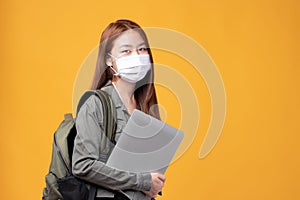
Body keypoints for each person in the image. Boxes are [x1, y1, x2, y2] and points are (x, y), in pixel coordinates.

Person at [72, 19, 166, 200]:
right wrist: (143, 181)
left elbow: (148, 172)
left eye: (142, 49)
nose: (137, 56)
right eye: (126, 51)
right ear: (109, 59)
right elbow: (83, 165)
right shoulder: (96, 104)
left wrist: (153, 182)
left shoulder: (146, 106)